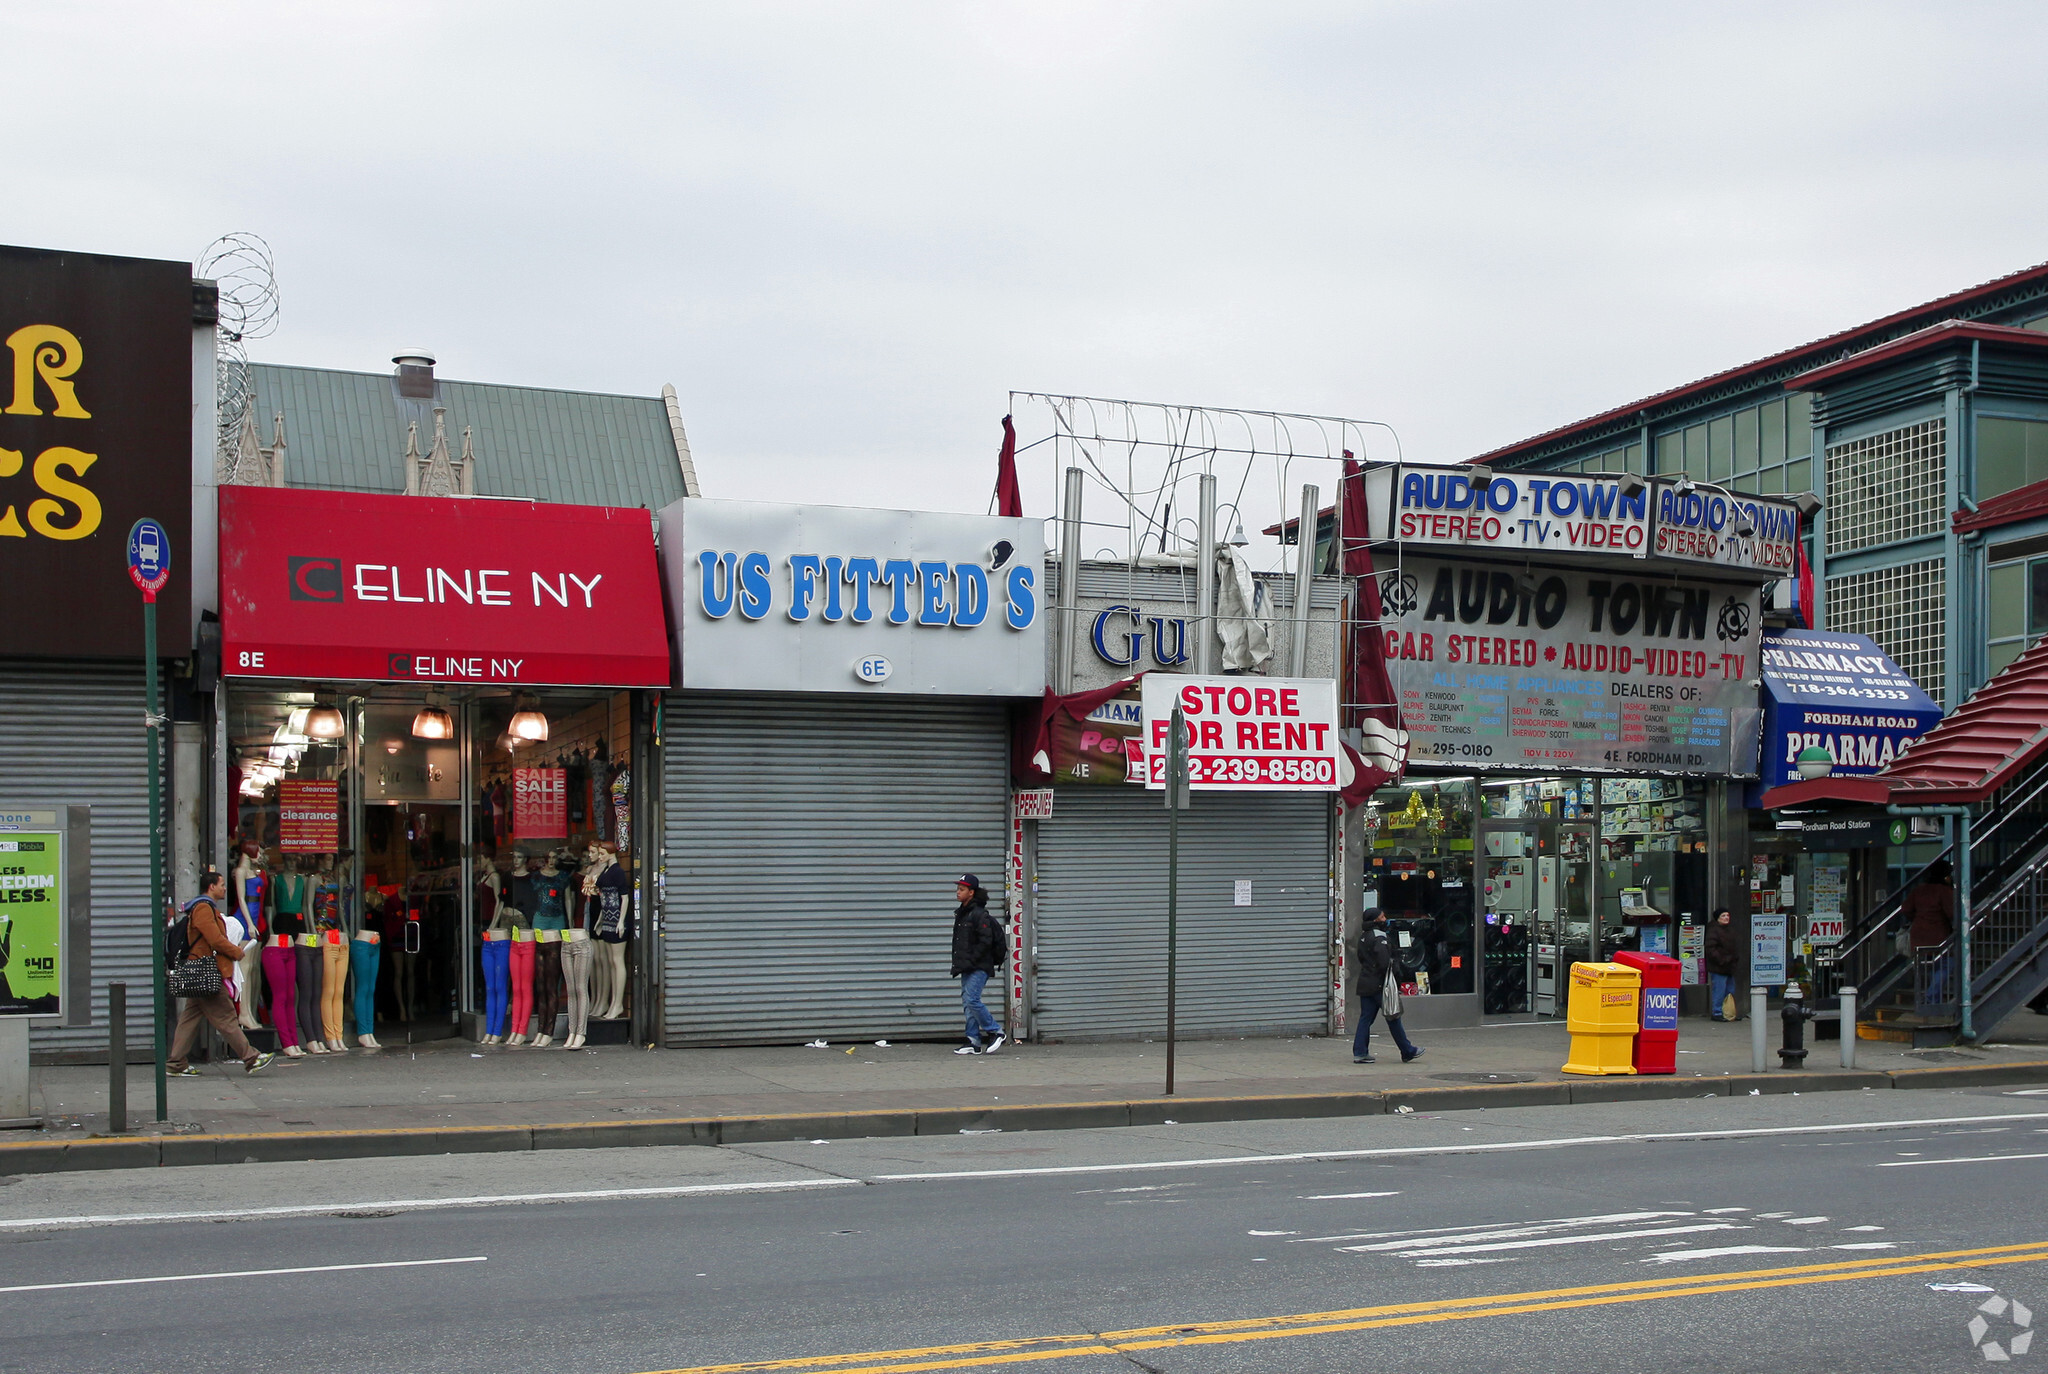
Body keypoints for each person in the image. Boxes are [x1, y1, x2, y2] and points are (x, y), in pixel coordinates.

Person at [167, 870, 276, 1077]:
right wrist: (236, 952)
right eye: (222, 884)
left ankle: (175, 1063)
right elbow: (215, 939)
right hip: (206, 971)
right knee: (226, 1017)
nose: (225, 888)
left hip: (201, 971)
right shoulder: (203, 908)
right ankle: (251, 1057)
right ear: (211, 887)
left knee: (189, 1018)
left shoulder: (205, 908)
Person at [1353, 910, 1422, 1065]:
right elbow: (1385, 962)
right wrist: (1396, 977)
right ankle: (1407, 1051)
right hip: (1380, 985)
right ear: (1376, 920)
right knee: (1393, 1016)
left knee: (1365, 1019)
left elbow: (1361, 958)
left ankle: (1360, 1053)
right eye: (1382, 917)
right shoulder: (1380, 937)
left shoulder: (1364, 936)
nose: (1385, 919)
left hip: (1366, 982)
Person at [949, 873, 1006, 1055]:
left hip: (979, 965)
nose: (958, 892)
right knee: (967, 1001)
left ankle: (995, 1031)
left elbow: (986, 941)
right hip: (966, 965)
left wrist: (973, 959)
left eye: (962, 889)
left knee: (972, 999)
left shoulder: (979, 914)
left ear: (971, 892)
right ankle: (973, 1041)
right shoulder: (963, 913)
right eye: (958, 889)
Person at [1904, 859, 1956, 1003]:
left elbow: (1906, 908)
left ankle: (1925, 999)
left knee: (1926, 969)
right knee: (1946, 965)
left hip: (1918, 935)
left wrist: (1918, 917)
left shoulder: (1919, 890)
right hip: (1938, 937)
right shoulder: (1944, 891)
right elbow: (1952, 913)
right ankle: (1931, 998)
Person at [1705, 909, 1742, 1021]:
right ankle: (1717, 1012)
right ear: (1718, 918)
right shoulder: (1714, 930)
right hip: (1719, 966)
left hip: (1729, 966)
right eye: (1723, 915)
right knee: (1719, 990)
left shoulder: (1729, 930)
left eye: (1727, 915)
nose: (1726, 917)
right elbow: (1711, 949)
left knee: (1730, 990)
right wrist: (1722, 960)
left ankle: (1728, 1012)